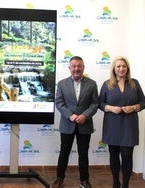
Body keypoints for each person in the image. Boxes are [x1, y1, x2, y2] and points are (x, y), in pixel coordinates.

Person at [98, 56, 145, 188]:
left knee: (126, 155)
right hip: (112, 124)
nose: (121, 69)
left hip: (129, 125)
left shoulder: (134, 83)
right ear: (114, 68)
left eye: (124, 66)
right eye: (118, 66)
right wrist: (111, 108)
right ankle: (115, 183)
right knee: (113, 156)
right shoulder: (107, 84)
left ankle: (125, 184)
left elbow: (143, 103)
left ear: (127, 68)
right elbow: (100, 103)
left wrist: (134, 107)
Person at [52, 56, 99, 188]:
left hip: (85, 124)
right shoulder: (62, 84)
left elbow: (95, 104)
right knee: (64, 153)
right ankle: (59, 179)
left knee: (83, 154)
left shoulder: (92, 84)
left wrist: (85, 115)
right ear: (69, 68)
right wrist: (70, 115)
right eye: (74, 66)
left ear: (83, 67)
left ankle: (84, 180)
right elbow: (59, 102)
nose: (76, 68)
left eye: (79, 66)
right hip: (68, 124)